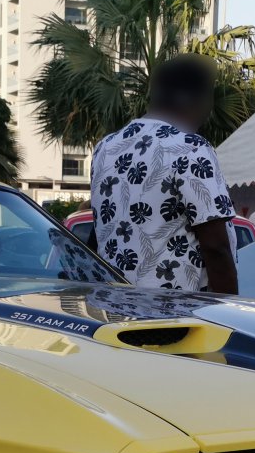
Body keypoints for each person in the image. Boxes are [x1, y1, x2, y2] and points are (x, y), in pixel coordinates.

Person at [89, 54, 238, 293]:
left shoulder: (105, 148)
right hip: (175, 311)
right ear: (201, 100)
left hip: (114, 304)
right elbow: (216, 247)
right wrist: (227, 311)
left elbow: (100, 233)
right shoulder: (191, 148)